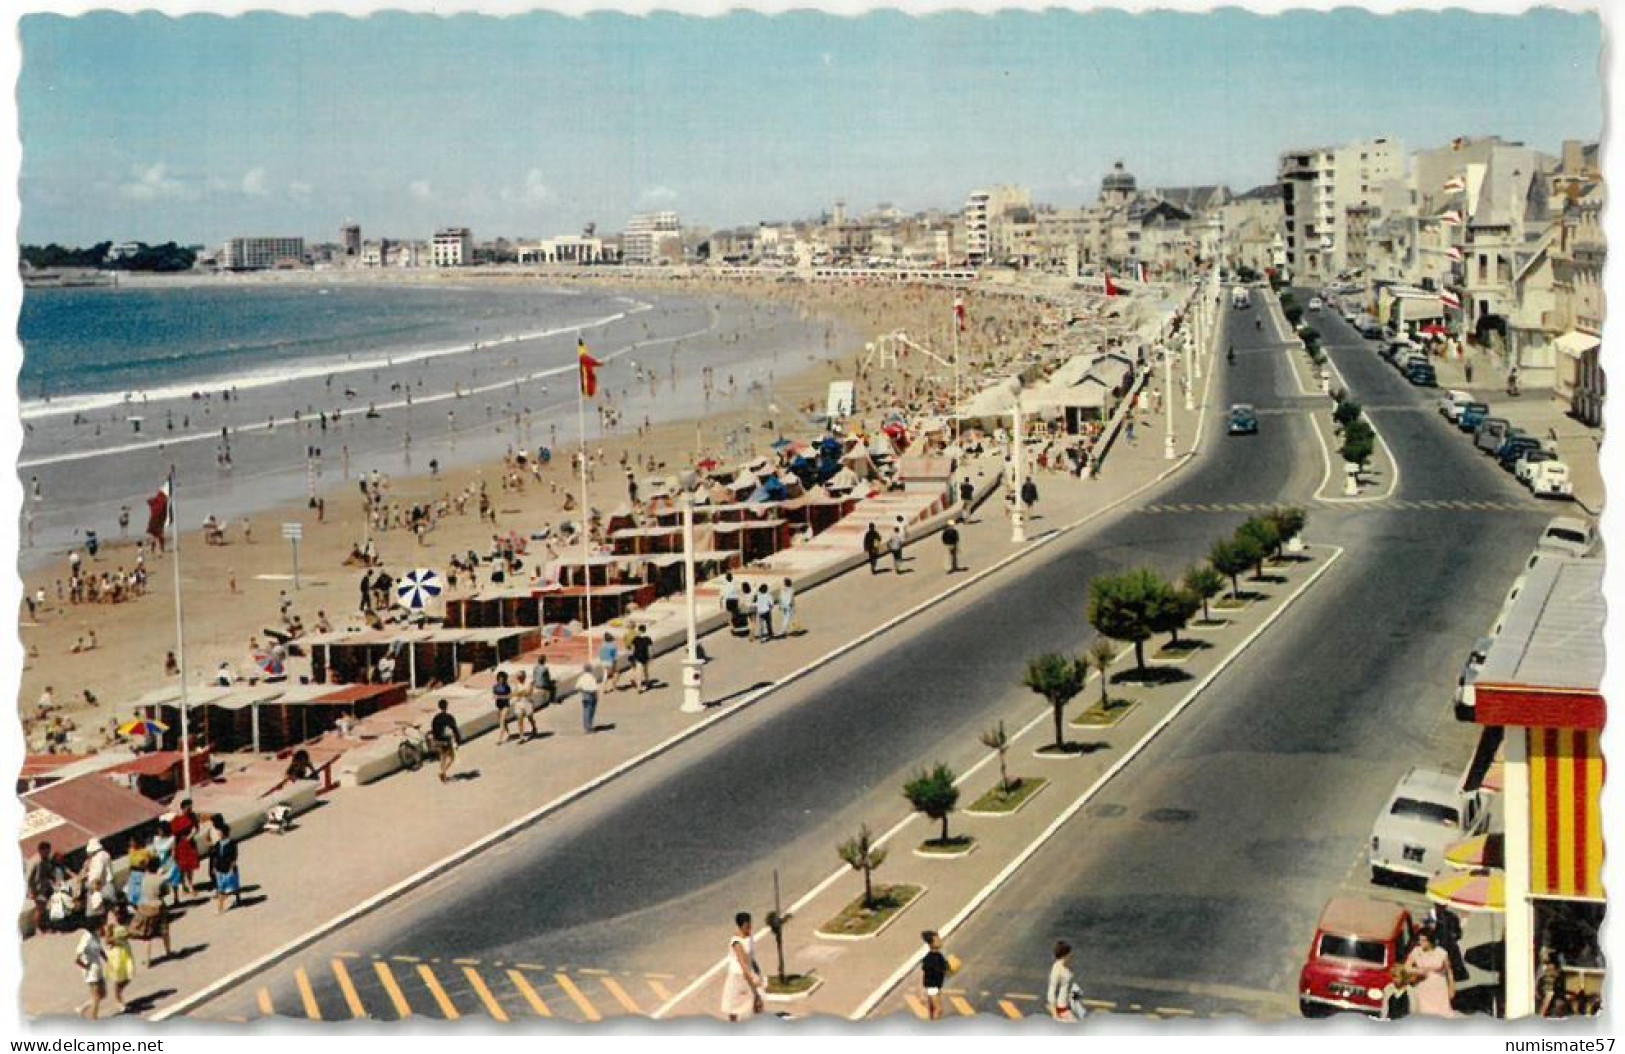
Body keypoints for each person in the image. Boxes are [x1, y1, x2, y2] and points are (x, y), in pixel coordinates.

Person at [126, 858, 173, 965]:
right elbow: (166, 892)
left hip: (145, 906)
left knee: (147, 936)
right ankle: (168, 951)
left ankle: (148, 959)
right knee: (164, 931)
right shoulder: (160, 880)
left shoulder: (144, 878)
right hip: (158, 906)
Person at [721, 912, 765, 1022]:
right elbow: (742, 962)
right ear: (741, 926)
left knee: (758, 1002)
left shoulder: (749, 937)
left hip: (748, 973)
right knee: (734, 1008)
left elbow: (751, 957)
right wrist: (753, 978)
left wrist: (756, 970)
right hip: (738, 977)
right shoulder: (736, 942)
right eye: (747, 926)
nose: (749, 928)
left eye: (750, 924)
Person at [1404, 928, 1457, 1017]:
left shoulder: (1441, 953)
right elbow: (1406, 967)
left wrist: (1451, 988)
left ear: (1430, 941)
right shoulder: (1416, 951)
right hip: (1423, 987)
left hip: (1439, 988)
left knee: (1441, 1014)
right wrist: (1419, 971)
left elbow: (1449, 971)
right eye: (1420, 940)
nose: (1421, 942)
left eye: (1424, 940)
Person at [102, 907, 135, 1014]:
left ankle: (119, 994)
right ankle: (118, 1000)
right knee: (119, 978)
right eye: (117, 914)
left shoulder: (126, 923)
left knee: (128, 976)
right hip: (117, 954)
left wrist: (129, 934)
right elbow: (107, 940)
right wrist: (116, 940)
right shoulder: (111, 926)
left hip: (126, 951)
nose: (119, 916)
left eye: (120, 914)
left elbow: (130, 933)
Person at [74, 923, 107, 1020]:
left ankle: (82, 1008)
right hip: (91, 972)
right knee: (96, 997)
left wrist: (107, 959)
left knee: (103, 994)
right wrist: (86, 966)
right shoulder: (86, 939)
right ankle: (94, 1019)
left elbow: (100, 949)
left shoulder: (95, 935)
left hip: (98, 968)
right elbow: (77, 959)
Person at [26, 842, 60, 934]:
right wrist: (32, 892)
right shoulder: (35, 861)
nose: (48, 853)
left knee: (51, 905)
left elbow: (48, 872)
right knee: (40, 909)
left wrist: (54, 880)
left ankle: (48, 925)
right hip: (37, 889)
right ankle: (37, 929)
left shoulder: (46, 859)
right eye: (46, 851)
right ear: (41, 851)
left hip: (46, 886)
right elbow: (29, 878)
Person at [1048, 940, 1085, 1021]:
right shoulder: (1057, 968)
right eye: (1070, 953)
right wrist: (1054, 1013)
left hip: (1067, 1007)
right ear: (1065, 955)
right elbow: (1052, 990)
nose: (1071, 955)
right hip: (1061, 1010)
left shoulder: (1065, 967)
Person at [171, 800, 201, 897]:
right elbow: (175, 835)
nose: (190, 810)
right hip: (180, 845)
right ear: (183, 808)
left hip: (189, 844)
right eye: (188, 808)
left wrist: (191, 836)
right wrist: (173, 849)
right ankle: (184, 886)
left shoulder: (193, 816)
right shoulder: (177, 819)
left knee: (190, 867)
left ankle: (191, 885)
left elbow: (196, 828)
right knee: (182, 868)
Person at [919, 930, 950, 1021]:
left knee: (933, 1010)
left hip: (936, 986)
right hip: (932, 987)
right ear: (932, 943)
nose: (940, 941)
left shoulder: (939, 956)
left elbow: (946, 970)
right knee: (938, 1010)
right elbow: (923, 975)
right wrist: (922, 993)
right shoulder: (929, 958)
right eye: (937, 939)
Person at [210, 821, 241, 913]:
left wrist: (231, 868)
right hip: (220, 868)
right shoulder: (217, 844)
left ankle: (237, 897)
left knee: (234, 886)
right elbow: (215, 857)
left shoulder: (232, 843)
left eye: (220, 832)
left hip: (229, 868)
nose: (219, 834)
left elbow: (234, 857)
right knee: (221, 889)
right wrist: (214, 867)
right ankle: (220, 908)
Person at [430, 698, 460, 783]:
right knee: (451, 758)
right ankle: (442, 772)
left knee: (442, 757)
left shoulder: (435, 718)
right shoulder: (449, 717)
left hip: (438, 740)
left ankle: (444, 777)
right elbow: (454, 729)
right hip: (446, 740)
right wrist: (457, 740)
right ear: (446, 706)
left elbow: (433, 729)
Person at [511, 670, 540, 740]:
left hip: (527, 702)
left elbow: (528, 692)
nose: (519, 678)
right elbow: (514, 693)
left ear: (524, 676)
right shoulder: (516, 684)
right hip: (519, 703)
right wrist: (521, 693)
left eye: (520, 677)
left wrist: (520, 693)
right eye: (518, 677)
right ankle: (521, 736)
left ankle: (534, 727)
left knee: (530, 718)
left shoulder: (528, 682)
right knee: (519, 719)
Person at [492, 670, 514, 745]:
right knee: (504, 722)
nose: (501, 680)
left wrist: (500, 697)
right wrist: (497, 697)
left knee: (502, 721)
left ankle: (499, 739)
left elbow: (510, 696)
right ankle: (508, 734)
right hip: (499, 706)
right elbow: (494, 696)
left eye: (502, 678)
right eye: (499, 678)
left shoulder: (507, 687)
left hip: (505, 706)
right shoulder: (495, 686)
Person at [576, 667, 601, 734]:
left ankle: (586, 727)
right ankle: (589, 727)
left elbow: (577, 687)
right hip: (591, 695)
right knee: (591, 711)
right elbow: (595, 688)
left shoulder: (581, 677)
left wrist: (582, 691)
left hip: (585, 695)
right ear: (590, 670)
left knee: (585, 711)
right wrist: (597, 696)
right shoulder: (592, 677)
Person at [630, 625, 653, 692]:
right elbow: (650, 649)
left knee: (639, 672)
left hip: (637, 657)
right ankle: (647, 682)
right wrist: (651, 657)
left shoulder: (635, 639)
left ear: (639, 630)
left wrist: (633, 656)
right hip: (645, 656)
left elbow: (632, 648)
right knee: (645, 670)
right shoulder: (648, 639)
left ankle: (639, 687)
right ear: (645, 630)